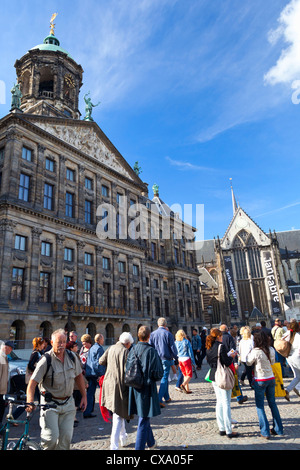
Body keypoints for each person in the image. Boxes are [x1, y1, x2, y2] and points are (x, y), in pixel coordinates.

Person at [26, 329, 87, 450]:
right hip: (50, 405)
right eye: (59, 342)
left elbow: (79, 376)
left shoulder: (72, 357)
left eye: (64, 342)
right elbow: (32, 383)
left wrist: (84, 396)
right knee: (50, 439)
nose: (62, 345)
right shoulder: (45, 360)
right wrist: (30, 400)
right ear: (52, 342)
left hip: (68, 403)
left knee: (65, 439)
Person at [127, 325, 164, 450]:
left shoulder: (132, 349)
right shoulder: (151, 351)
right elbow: (158, 373)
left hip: (134, 387)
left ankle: (151, 443)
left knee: (144, 417)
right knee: (143, 419)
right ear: (149, 336)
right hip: (146, 389)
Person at [99, 332, 134, 450]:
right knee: (118, 414)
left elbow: (101, 361)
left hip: (108, 383)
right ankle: (113, 445)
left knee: (118, 412)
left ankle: (123, 438)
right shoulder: (125, 351)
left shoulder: (110, 348)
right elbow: (128, 371)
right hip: (119, 385)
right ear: (127, 343)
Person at [246, 330, 283, 439]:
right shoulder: (271, 349)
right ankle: (278, 429)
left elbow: (248, 363)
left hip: (260, 379)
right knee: (273, 404)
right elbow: (272, 362)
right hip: (271, 378)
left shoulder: (256, 351)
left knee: (260, 406)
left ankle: (265, 431)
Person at [206, 329, 239, 438]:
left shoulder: (209, 347)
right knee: (226, 403)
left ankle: (221, 428)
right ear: (219, 336)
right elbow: (227, 362)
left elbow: (210, 361)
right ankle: (229, 430)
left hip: (213, 375)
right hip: (222, 376)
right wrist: (232, 356)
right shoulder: (221, 346)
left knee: (219, 402)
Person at [149, 317, 178, 408]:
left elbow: (150, 347)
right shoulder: (168, 334)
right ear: (165, 324)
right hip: (166, 358)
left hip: (157, 359)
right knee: (164, 378)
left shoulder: (152, 334)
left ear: (158, 324)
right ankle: (159, 399)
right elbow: (173, 348)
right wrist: (176, 358)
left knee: (164, 377)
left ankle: (167, 397)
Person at [220, 324, 247, 404]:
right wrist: (233, 360)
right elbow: (233, 350)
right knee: (234, 380)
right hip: (229, 361)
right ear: (227, 330)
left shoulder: (217, 338)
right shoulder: (229, 337)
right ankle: (239, 397)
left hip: (220, 362)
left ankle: (225, 398)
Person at [84, 334, 105, 419]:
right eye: (102, 339)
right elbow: (98, 363)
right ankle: (88, 411)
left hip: (89, 372)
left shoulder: (92, 348)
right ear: (100, 340)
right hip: (95, 373)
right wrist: (100, 374)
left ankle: (88, 410)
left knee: (90, 393)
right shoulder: (99, 349)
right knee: (94, 393)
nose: (103, 341)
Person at [283, 320, 300, 400]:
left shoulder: (286, 335)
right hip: (297, 357)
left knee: (297, 376)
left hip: (289, 357)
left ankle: (288, 390)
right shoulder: (297, 336)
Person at [0, 341, 14, 423]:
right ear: (6, 347)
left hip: (2, 390)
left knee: (1, 409)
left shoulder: (3, 357)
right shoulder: (1, 357)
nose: (11, 351)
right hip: (0, 390)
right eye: (11, 348)